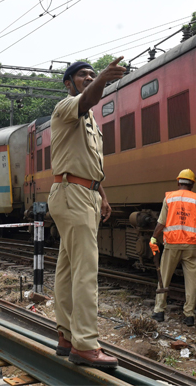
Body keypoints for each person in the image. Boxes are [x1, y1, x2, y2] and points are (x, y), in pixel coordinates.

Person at [48, 58, 126, 368]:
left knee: (68, 270)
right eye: (83, 75)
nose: (89, 78)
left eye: (92, 74)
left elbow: (90, 164)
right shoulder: (67, 106)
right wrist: (104, 78)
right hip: (72, 194)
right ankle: (85, 344)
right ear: (69, 83)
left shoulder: (92, 121)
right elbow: (91, 97)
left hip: (85, 193)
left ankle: (66, 335)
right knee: (85, 271)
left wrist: (102, 195)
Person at [149, 169, 196, 327]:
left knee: (164, 277)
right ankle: (189, 316)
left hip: (172, 244)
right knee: (191, 281)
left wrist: (153, 237)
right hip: (192, 246)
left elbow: (161, 222)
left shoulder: (169, 198)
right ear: (192, 184)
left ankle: (159, 311)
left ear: (178, 182)